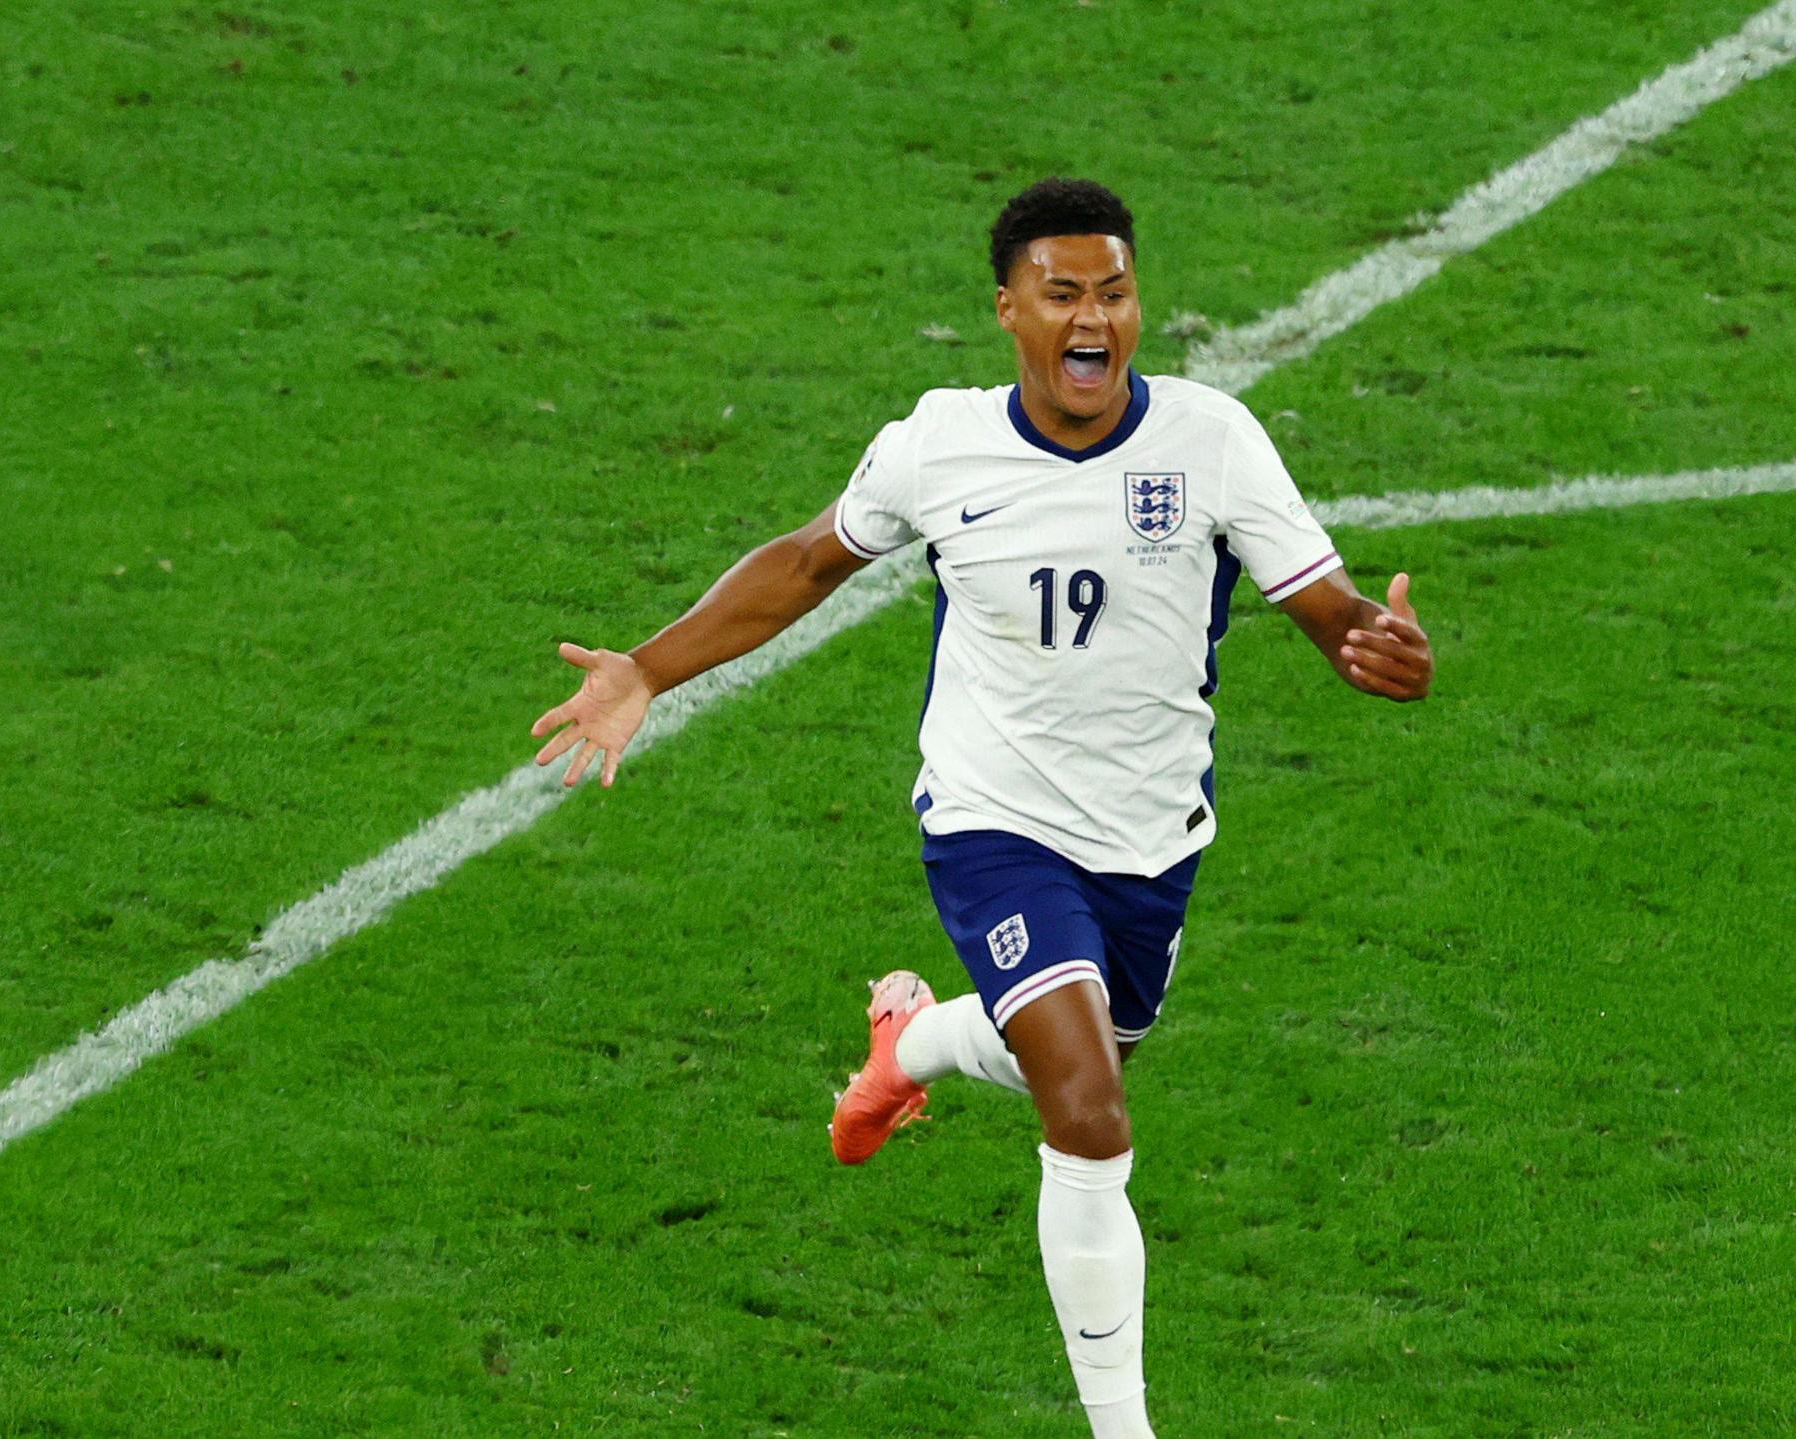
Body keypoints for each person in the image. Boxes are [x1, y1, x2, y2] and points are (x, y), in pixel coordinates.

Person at [530, 177, 1434, 1438]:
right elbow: (805, 563)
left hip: (1150, 837)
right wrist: (645, 667)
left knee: (1085, 1057)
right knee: (1087, 1106)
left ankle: (913, 1042)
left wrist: (1378, 648)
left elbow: (1331, 610)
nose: (1092, 319)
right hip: (991, 820)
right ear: (1008, 309)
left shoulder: (1211, 440)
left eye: (1112, 293)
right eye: (1062, 293)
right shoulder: (938, 444)